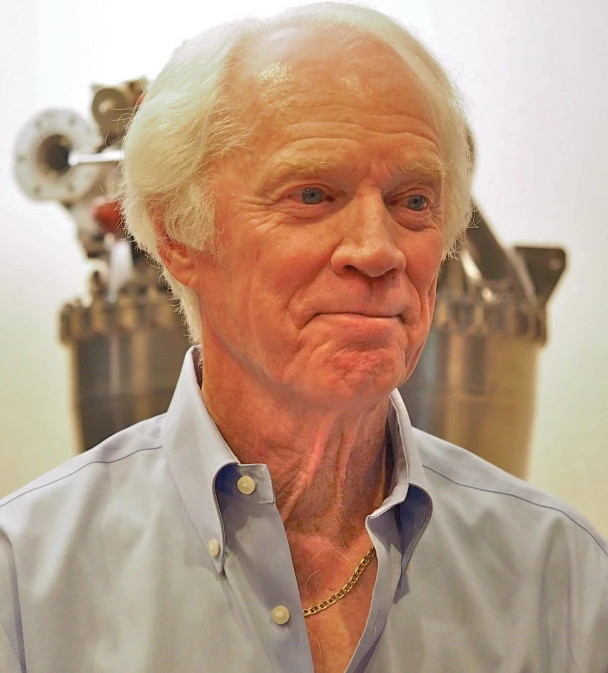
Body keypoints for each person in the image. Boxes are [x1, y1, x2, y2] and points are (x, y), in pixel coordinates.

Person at [1, 4, 606, 672]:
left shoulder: (562, 572)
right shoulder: (26, 581)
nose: (378, 251)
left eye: (413, 201)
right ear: (179, 236)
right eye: (313, 195)